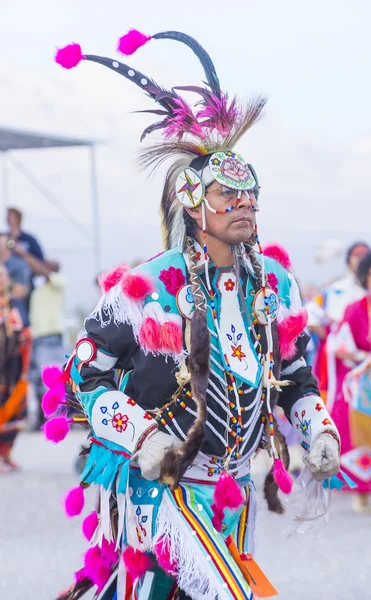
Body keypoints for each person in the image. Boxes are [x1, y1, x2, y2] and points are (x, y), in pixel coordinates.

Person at [49, 29, 341, 600]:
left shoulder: (276, 285)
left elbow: (294, 375)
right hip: (160, 485)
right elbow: (83, 379)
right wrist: (143, 439)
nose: (244, 206)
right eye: (227, 195)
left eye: (250, 194)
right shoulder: (147, 287)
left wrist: (316, 429)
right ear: (192, 201)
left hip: (233, 488)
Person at [331, 251, 371, 513]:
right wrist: (364, 357)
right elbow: (341, 346)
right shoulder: (354, 309)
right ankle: (362, 490)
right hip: (364, 381)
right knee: (361, 436)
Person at [306, 241, 370, 406]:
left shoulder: (363, 295)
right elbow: (309, 315)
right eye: (357, 255)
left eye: (365, 255)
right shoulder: (335, 291)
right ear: (349, 260)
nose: (361, 258)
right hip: (342, 361)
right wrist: (329, 333)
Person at [0, 264, 32, 472]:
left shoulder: (15, 304)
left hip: (15, 367)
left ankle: (6, 454)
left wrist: (26, 337)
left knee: (16, 412)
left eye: (2, 275)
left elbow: (27, 329)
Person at [28, 260, 66, 429]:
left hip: (50, 338)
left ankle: (54, 418)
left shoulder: (59, 282)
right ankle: (43, 417)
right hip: (36, 338)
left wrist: (22, 253)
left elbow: (46, 272)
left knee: (51, 380)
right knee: (37, 379)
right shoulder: (37, 291)